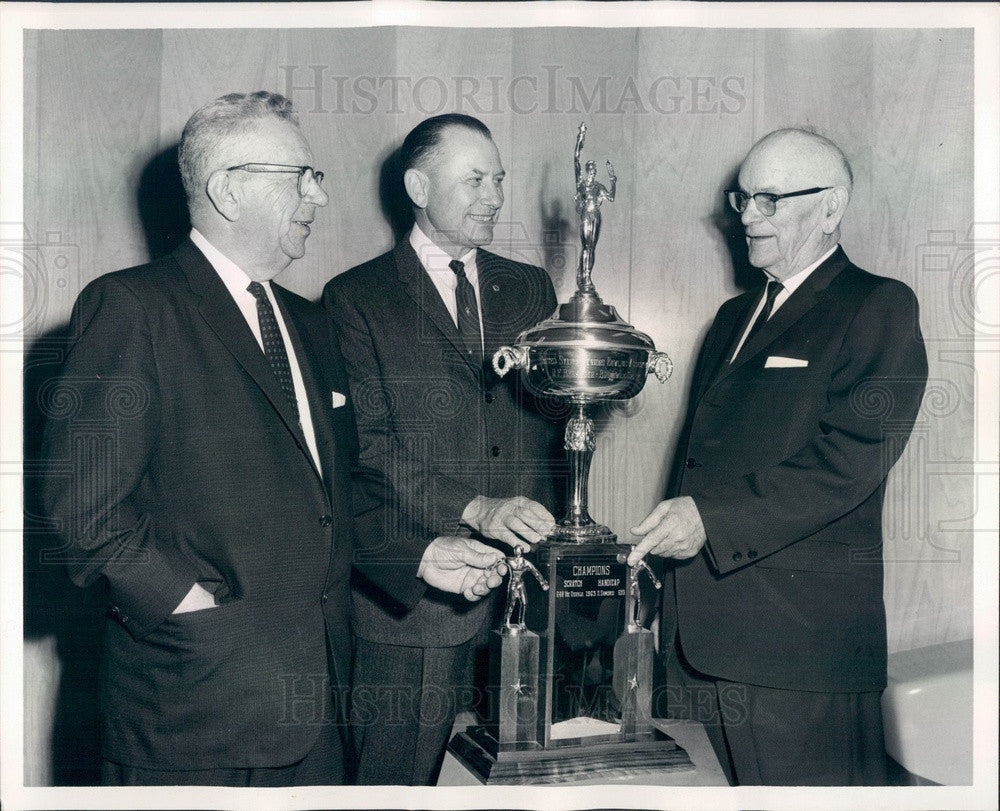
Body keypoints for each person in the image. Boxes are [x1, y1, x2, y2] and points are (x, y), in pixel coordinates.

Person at [40, 92, 505, 787]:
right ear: (229, 189)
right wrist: (190, 609)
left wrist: (418, 556)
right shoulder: (132, 308)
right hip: (193, 718)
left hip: (319, 711)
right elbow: (85, 517)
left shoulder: (308, 320)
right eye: (302, 176)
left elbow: (328, 497)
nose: (318, 196)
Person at [628, 128, 928, 786]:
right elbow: (696, 464)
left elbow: (848, 459)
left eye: (769, 199)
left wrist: (709, 519)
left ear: (831, 206)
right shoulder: (732, 317)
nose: (748, 218)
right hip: (692, 648)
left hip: (794, 660)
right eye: (742, 200)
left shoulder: (878, 307)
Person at [323, 113, 564, 785]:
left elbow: (554, 427)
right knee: (399, 784)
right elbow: (369, 447)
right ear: (418, 185)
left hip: (524, 598)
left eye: (499, 179)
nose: (494, 195)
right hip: (414, 604)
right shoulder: (354, 298)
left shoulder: (530, 288)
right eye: (475, 179)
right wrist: (474, 507)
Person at [573, 122, 616, 290]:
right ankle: (583, 276)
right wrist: (581, 137)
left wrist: (613, 180)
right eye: (591, 169)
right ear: (587, 169)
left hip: (596, 215)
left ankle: (588, 276)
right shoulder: (581, 184)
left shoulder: (599, 187)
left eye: (594, 170)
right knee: (586, 246)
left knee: (592, 247)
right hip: (585, 214)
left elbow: (611, 198)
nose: (593, 172)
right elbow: (575, 158)